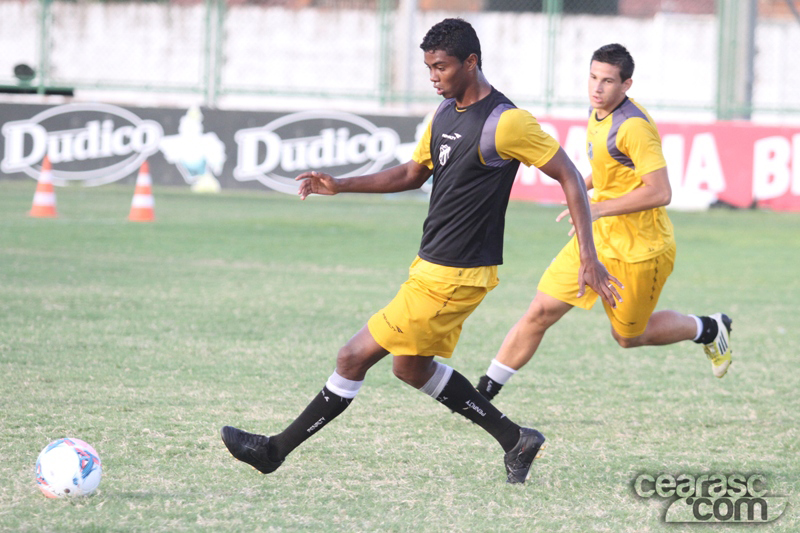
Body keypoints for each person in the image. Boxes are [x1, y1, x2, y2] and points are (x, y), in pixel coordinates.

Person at [220, 18, 618, 484]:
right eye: (429, 67)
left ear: (471, 62)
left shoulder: (506, 122)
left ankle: (273, 451)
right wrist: (341, 185)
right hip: (430, 265)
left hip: (457, 273)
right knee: (410, 368)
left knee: (352, 357)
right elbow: (412, 173)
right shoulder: (445, 112)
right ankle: (516, 439)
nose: (434, 76)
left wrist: (587, 255)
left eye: (442, 67)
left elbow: (569, 174)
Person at [475, 43, 733, 403]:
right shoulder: (598, 112)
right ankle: (484, 391)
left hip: (641, 251)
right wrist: (581, 187)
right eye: (593, 78)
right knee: (540, 311)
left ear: (626, 85)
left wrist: (596, 208)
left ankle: (708, 328)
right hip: (596, 239)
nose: (597, 88)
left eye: (608, 81)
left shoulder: (634, 127)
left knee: (628, 337)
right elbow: (608, 165)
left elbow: (660, 192)